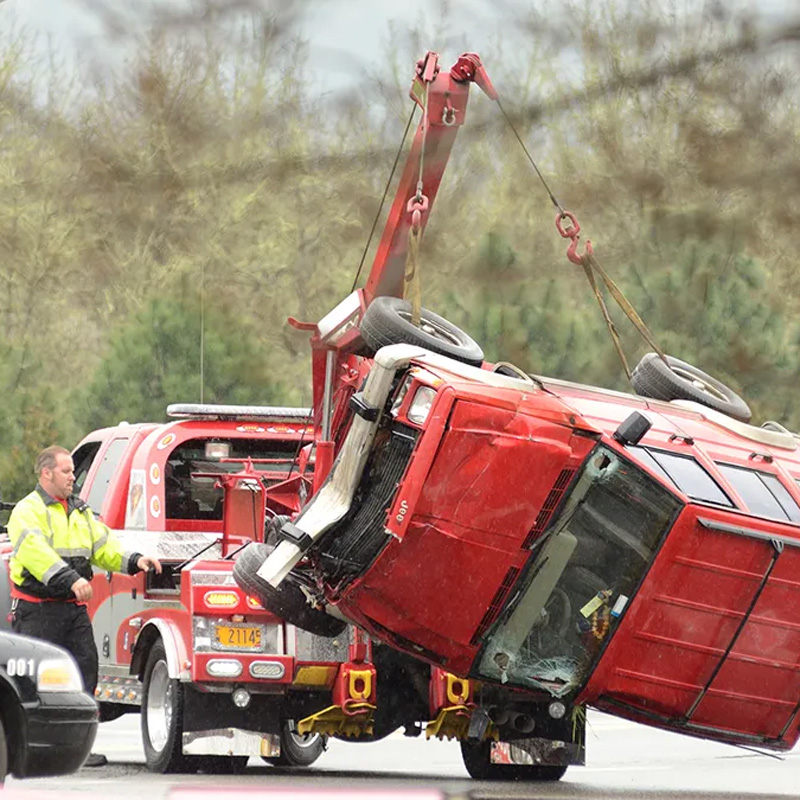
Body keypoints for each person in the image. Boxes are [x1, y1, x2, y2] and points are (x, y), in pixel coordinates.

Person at [7, 445, 162, 768]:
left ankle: (79, 748)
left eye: (72, 471)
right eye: (66, 471)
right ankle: (27, 747)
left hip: (71, 611)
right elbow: (36, 555)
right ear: (46, 473)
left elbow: (103, 547)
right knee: (34, 680)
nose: (73, 477)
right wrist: (70, 579)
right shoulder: (28, 511)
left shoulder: (79, 511)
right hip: (38, 611)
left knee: (84, 672)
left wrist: (134, 561)